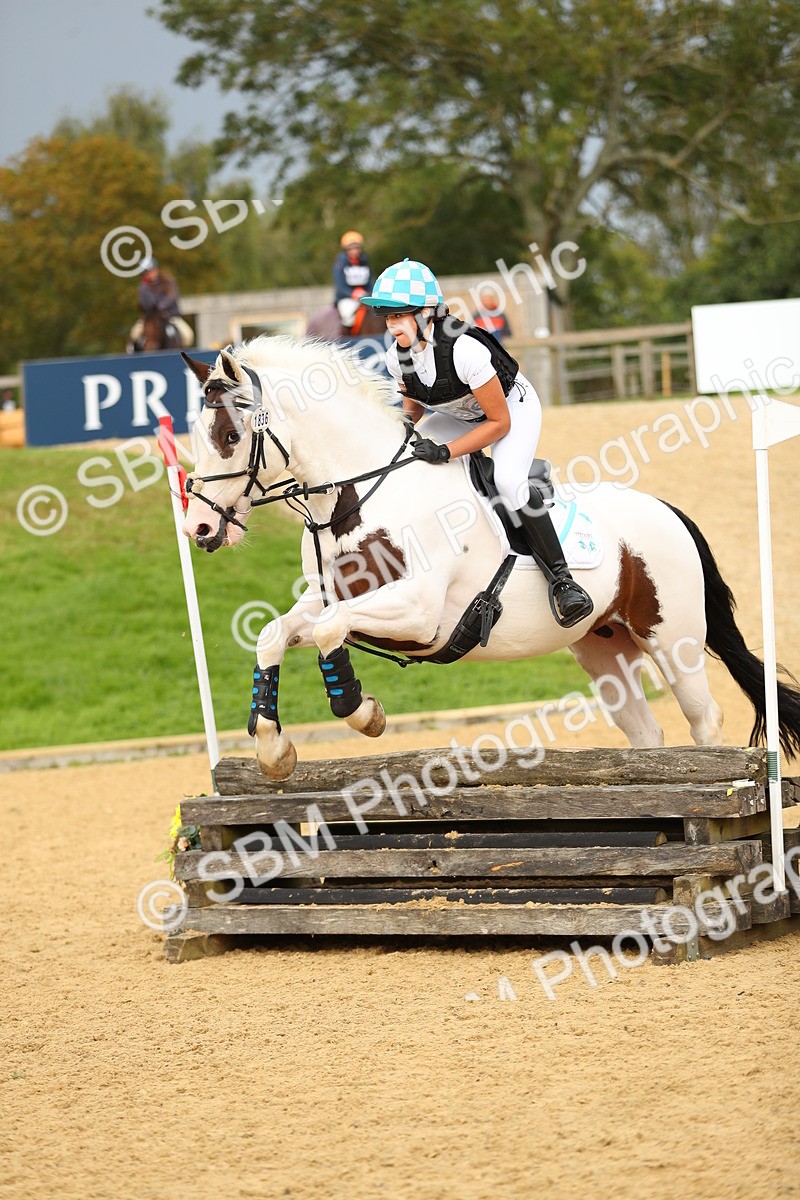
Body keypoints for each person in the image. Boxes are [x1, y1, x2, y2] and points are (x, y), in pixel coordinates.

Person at [361, 258, 594, 628]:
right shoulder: (396, 357)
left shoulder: (465, 349)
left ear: (425, 313)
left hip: (511, 410)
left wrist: (446, 451)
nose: (391, 325)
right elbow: (412, 411)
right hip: (460, 414)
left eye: (399, 315)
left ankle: (563, 582)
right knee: (408, 457)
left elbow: (499, 423)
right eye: (387, 317)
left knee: (508, 481)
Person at [130, 257, 194, 348]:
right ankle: (132, 351)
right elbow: (144, 303)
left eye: (151, 271)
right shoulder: (144, 287)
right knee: (134, 334)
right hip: (150, 319)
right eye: (146, 273)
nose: (149, 274)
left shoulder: (168, 281)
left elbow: (170, 297)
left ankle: (184, 352)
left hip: (171, 316)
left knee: (188, 336)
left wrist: (161, 306)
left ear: (156, 269)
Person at [332, 231, 374, 330]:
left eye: (357, 248)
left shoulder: (365, 262)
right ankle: (347, 336)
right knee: (348, 318)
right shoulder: (340, 264)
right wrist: (353, 294)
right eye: (351, 248)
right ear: (346, 250)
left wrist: (369, 293)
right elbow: (340, 287)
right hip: (347, 298)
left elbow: (370, 281)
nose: (354, 251)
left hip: (365, 296)